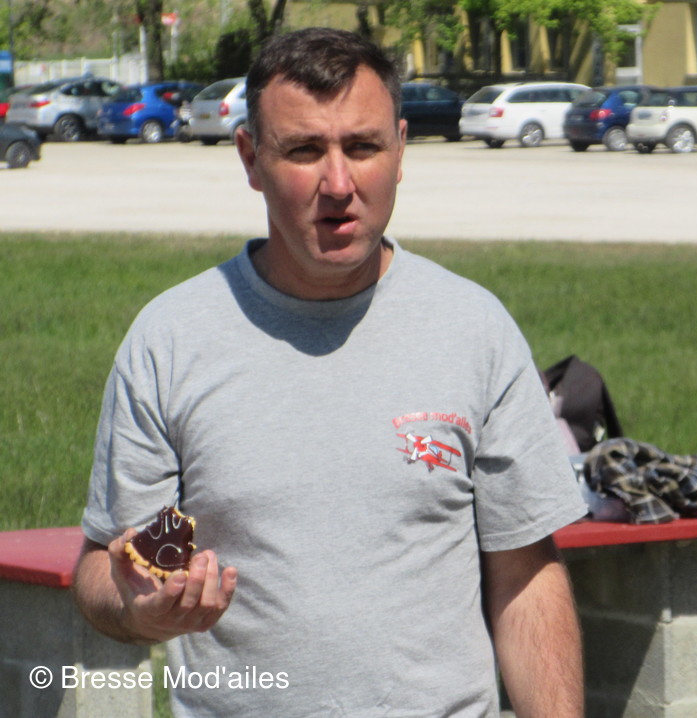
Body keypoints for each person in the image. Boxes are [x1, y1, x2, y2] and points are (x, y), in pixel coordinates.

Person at [71, 28, 587, 718]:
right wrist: (139, 609)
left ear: (400, 151)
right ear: (251, 159)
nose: (339, 185)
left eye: (363, 148)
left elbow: (525, 576)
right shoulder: (172, 341)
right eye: (304, 151)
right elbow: (108, 565)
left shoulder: (473, 330)